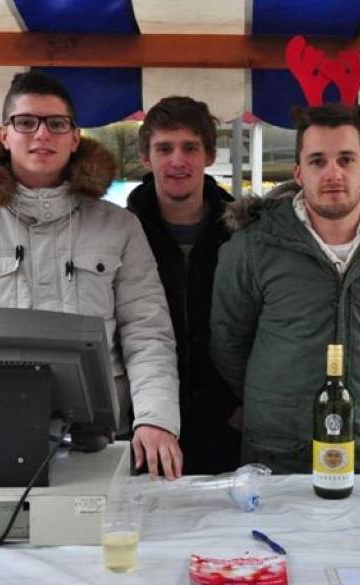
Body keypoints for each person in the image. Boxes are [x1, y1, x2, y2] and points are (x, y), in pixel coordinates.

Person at [0, 71, 183, 479]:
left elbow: (147, 333)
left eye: (56, 123)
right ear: (4, 135)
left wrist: (156, 419)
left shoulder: (119, 227)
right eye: (26, 122)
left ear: (74, 137)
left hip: (100, 437)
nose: (42, 134)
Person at [210, 103, 360, 474]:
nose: (333, 173)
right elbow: (229, 340)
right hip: (279, 449)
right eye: (318, 161)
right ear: (299, 172)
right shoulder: (253, 247)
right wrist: (274, 398)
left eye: (346, 159)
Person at [126, 96, 241, 475]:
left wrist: (244, 405)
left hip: (228, 425)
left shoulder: (244, 233)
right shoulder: (121, 232)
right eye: (164, 148)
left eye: (190, 147)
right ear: (145, 158)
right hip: (143, 426)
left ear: (209, 155)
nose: (178, 160)